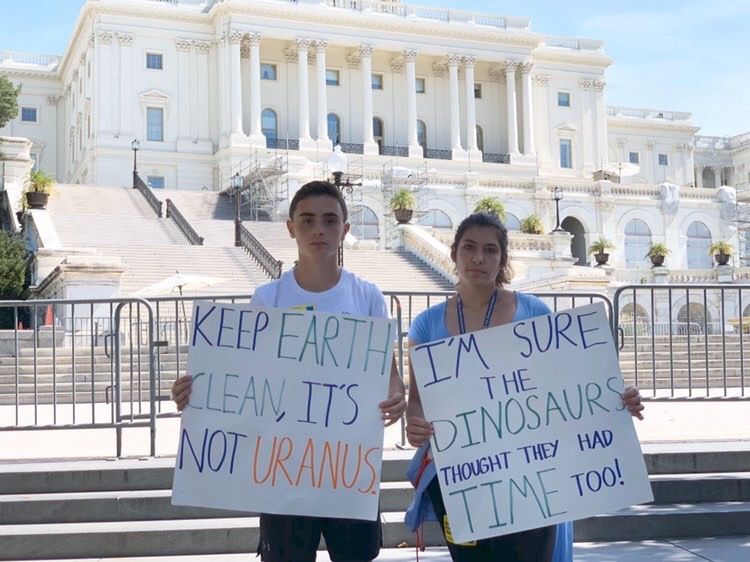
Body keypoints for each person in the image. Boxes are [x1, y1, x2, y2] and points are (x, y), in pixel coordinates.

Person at [171, 180, 407, 562]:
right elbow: (243, 378)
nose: (319, 229)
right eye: (308, 219)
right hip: (283, 475)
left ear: (345, 230)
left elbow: (388, 372)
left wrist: (397, 396)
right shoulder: (268, 298)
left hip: (346, 469)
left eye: (330, 221)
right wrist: (197, 391)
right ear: (290, 228)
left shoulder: (368, 297)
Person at [404, 212, 645, 562]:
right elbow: (417, 402)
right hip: (463, 481)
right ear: (454, 252)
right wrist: (415, 425)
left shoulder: (533, 313)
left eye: (490, 250)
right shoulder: (426, 325)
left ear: (502, 259)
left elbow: (573, 387)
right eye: (469, 247)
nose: (478, 258)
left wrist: (617, 399)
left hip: (534, 479)